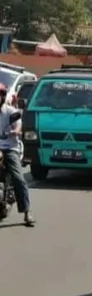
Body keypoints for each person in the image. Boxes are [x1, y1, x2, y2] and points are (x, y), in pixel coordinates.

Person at [0, 84, 34, 226]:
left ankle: (27, 211)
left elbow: (18, 124)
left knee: (19, 179)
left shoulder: (10, 111)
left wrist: (16, 131)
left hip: (10, 148)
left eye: (1, 94)